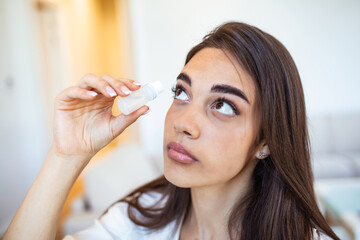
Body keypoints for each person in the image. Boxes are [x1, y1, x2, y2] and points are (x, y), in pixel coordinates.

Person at [3, 22, 339, 240]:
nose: (182, 122)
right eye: (182, 93)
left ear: (265, 141)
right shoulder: (137, 220)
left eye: (222, 105)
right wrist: (66, 157)